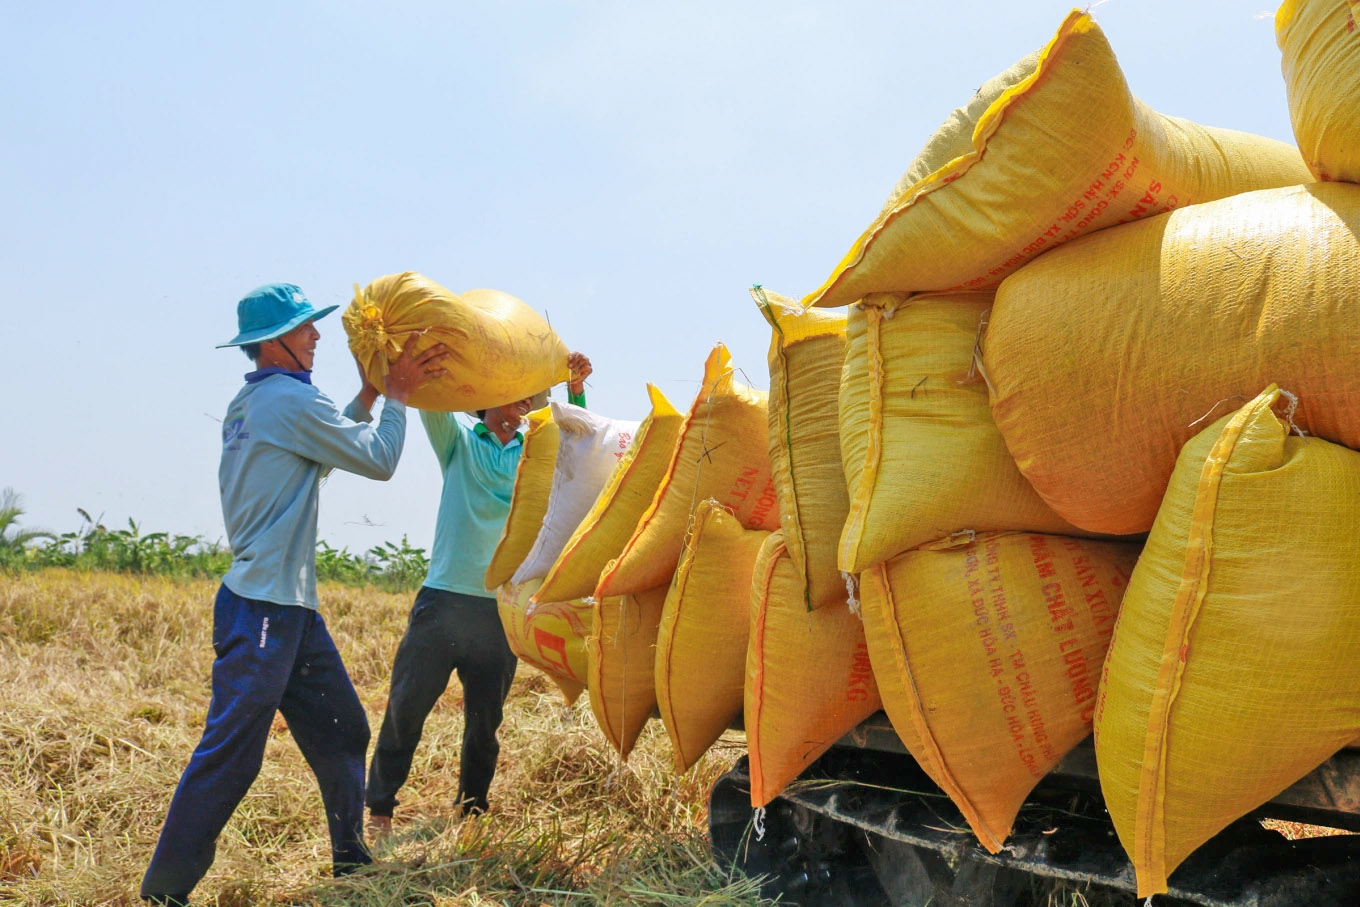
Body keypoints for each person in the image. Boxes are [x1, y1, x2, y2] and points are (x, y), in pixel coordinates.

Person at [140, 283, 449, 905]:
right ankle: (163, 892)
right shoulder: (287, 399)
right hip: (263, 609)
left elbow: (325, 446)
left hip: (290, 610)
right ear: (273, 342)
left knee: (342, 730)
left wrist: (368, 396)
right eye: (305, 327)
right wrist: (397, 396)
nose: (316, 336)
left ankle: (351, 865)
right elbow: (379, 460)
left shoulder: (257, 401)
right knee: (232, 753)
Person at [365, 352, 593, 836]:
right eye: (514, 395)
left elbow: (579, 448)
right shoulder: (460, 443)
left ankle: (471, 811)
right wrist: (439, 357)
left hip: (500, 609)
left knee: (485, 722)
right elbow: (433, 405)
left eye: (530, 397)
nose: (524, 403)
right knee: (407, 707)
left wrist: (575, 389)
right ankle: (380, 808)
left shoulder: (535, 453)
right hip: (444, 600)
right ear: (490, 400)